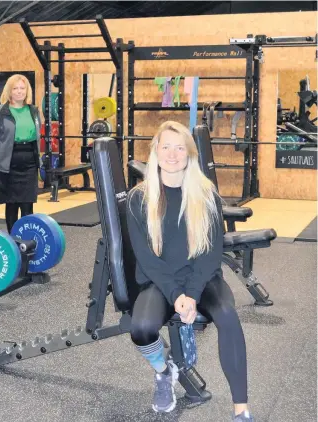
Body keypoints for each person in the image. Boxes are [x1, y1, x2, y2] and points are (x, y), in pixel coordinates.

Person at [126, 121, 253, 421]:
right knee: (141, 330)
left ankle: (241, 409)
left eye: (180, 147)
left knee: (228, 316)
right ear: (155, 151)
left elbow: (211, 253)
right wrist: (175, 294)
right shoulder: (139, 198)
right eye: (166, 146)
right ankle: (163, 370)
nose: (172, 154)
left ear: (189, 154)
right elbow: (146, 258)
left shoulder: (205, 194)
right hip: (160, 280)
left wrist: (192, 295)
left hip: (202, 278)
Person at [0, 74, 41, 233]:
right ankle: (13, 240)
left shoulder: (34, 111)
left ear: (27, 91)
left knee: (27, 204)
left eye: (22, 88)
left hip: (30, 161)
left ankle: (26, 240)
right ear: (9, 91)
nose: (19, 91)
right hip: (9, 163)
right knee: (12, 203)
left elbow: (37, 136)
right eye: (15, 88)